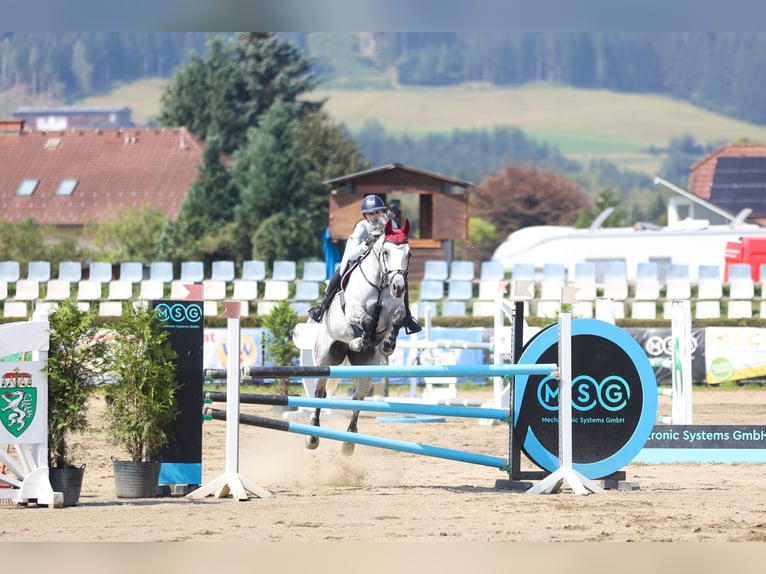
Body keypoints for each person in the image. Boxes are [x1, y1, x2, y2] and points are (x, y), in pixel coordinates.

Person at [308, 194, 422, 334]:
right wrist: (367, 244)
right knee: (341, 271)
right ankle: (323, 305)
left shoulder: (391, 225)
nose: (374, 215)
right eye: (370, 213)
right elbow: (352, 254)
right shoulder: (362, 227)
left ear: (383, 211)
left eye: (377, 212)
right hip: (359, 257)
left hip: (384, 263)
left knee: (400, 279)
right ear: (365, 215)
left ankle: (408, 317)